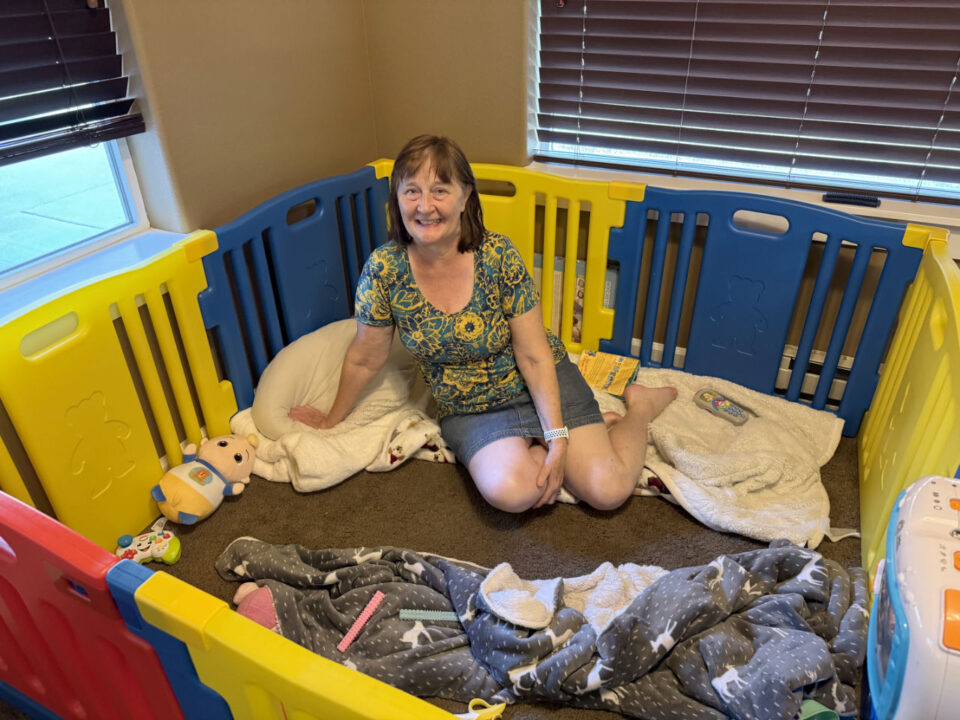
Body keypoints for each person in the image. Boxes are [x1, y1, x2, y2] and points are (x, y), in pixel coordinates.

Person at [289, 135, 676, 512]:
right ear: (397, 199)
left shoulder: (498, 255)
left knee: (607, 491)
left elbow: (534, 354)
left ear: (465, 197)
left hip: (536, 381)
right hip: (472, 408)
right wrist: (330, 420)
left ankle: (637, 409)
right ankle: (569, 436)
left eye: (440, 190)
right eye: (411, 192)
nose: (425, 206)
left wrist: (557, 437)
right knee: (514, 493)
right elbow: (364, 357)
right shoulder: (383, 269)